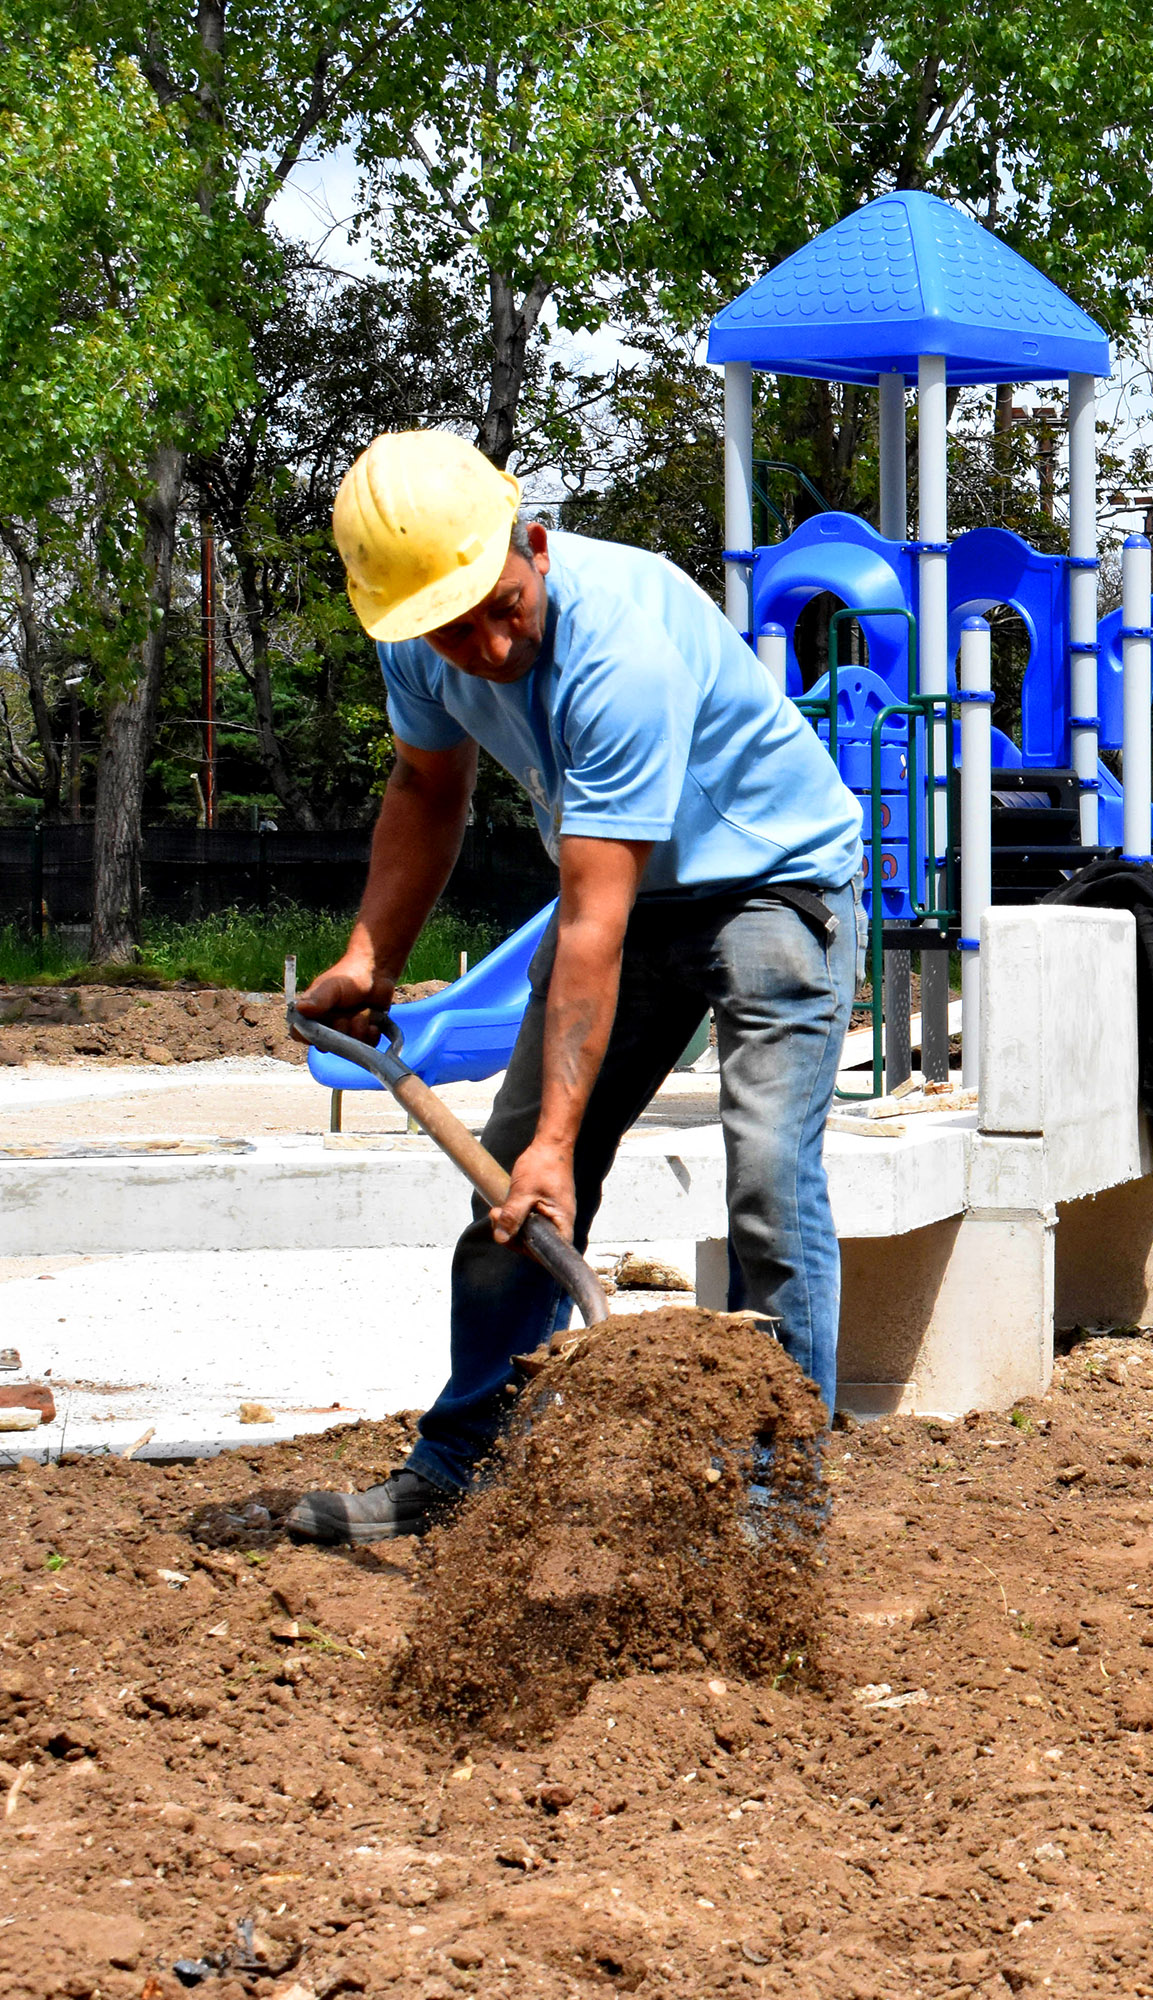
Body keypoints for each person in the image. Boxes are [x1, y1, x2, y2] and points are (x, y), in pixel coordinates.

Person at [283, 431, 862, 1543]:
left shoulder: (619, 648)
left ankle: (779, 1504)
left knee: (770, 1180)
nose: (487, 644)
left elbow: (590, 921)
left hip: (774, 884)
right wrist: (373, 955)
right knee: (510, 1200)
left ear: (533, 545)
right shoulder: (422, 636)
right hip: (626, 899)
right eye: (453, 629)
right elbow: (423, 785)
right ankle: (460, 1468)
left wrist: (561, 1140)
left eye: (502, 604)